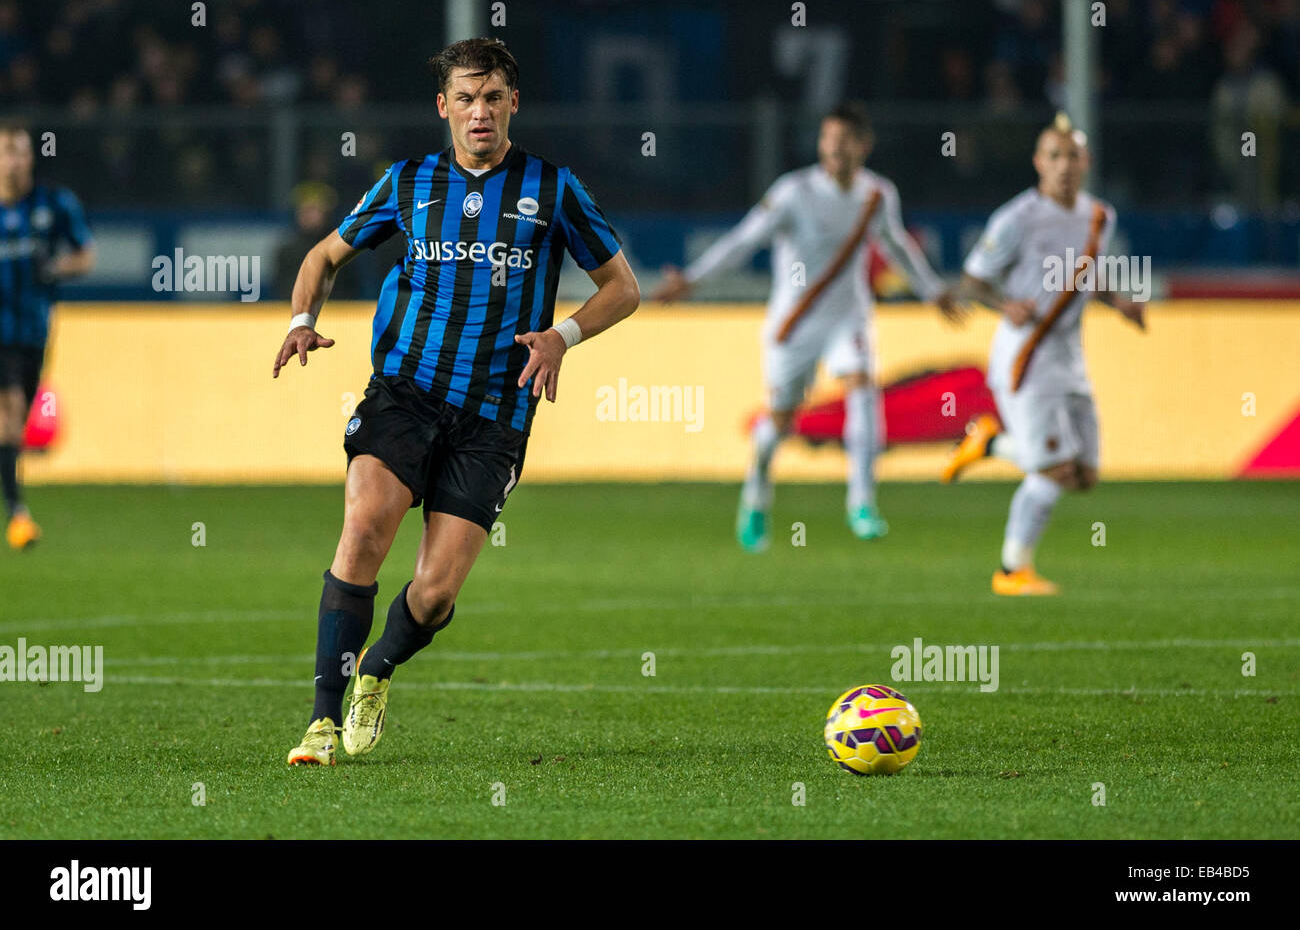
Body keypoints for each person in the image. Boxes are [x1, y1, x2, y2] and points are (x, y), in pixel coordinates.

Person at [274, 38, 639, 765]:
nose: (480, 113)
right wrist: (301, 319)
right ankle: (319, 719)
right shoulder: (407, 184)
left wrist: (563, 335)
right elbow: (323, 256)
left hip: (495, 416)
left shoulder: (554, 189)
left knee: (435, 592)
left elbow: (623, 288)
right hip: (405, 393)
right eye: (466, 99)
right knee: (364, 527)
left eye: (493, 98)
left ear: (512, 104)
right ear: (444, 107)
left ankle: (374, 670)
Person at [651, 102, 958, 551]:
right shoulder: (794, 192)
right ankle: (756, 497)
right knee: (780, 421)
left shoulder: (877, 195)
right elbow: (743, 239)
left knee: (862, 388)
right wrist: (693, 279)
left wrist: (933, 290)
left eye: (845, 141)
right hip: (794, 323)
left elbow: (898, 248)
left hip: (847, 316)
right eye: (828, 140)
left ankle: (862, 503)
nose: (835, 148)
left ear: (863, 146)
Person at [942, 113, 1145, 595]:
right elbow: (972, 280)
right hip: (1025, 355)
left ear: (1086, 161)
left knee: (1084, 475)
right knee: (1052, 470)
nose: (1065, 165)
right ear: (1038, 162)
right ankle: (1012, 571)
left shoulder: (1100, 216)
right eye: (1055, 156)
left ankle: (990, 443)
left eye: (1073, 156)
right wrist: (1003, 304)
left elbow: (1081, 278)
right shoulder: (1017, 218)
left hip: (1070, 356)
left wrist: (1118, 302)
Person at [0, 122, 96, 550]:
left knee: (14, 424)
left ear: (31, 157)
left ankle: (15, 507)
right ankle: (18, 513)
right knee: (10, 409)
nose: (14, 161)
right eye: (6, 152)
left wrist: (55, 269)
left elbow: (85, 255)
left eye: (20, 151)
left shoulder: (54, 204)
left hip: (33, 330)